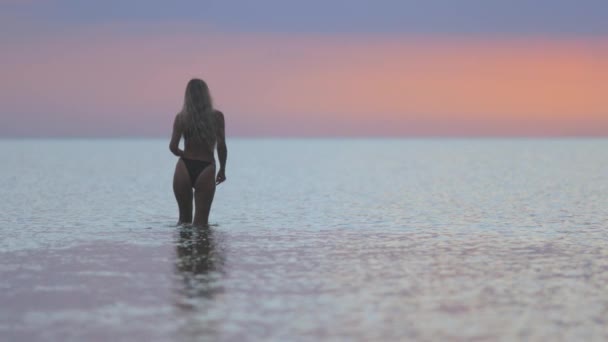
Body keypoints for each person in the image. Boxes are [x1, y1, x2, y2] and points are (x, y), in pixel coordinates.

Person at [169, 78, 227, 227]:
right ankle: (203, 250)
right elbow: (221, 146)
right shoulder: (217, 117)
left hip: (184, 167)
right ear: (206, 95)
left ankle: (184, 249)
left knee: (183, 222)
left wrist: (185, 155)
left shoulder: (181, 118)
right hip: (206, 167)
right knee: (201, 225)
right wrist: (222, 169)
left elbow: (173, 147)